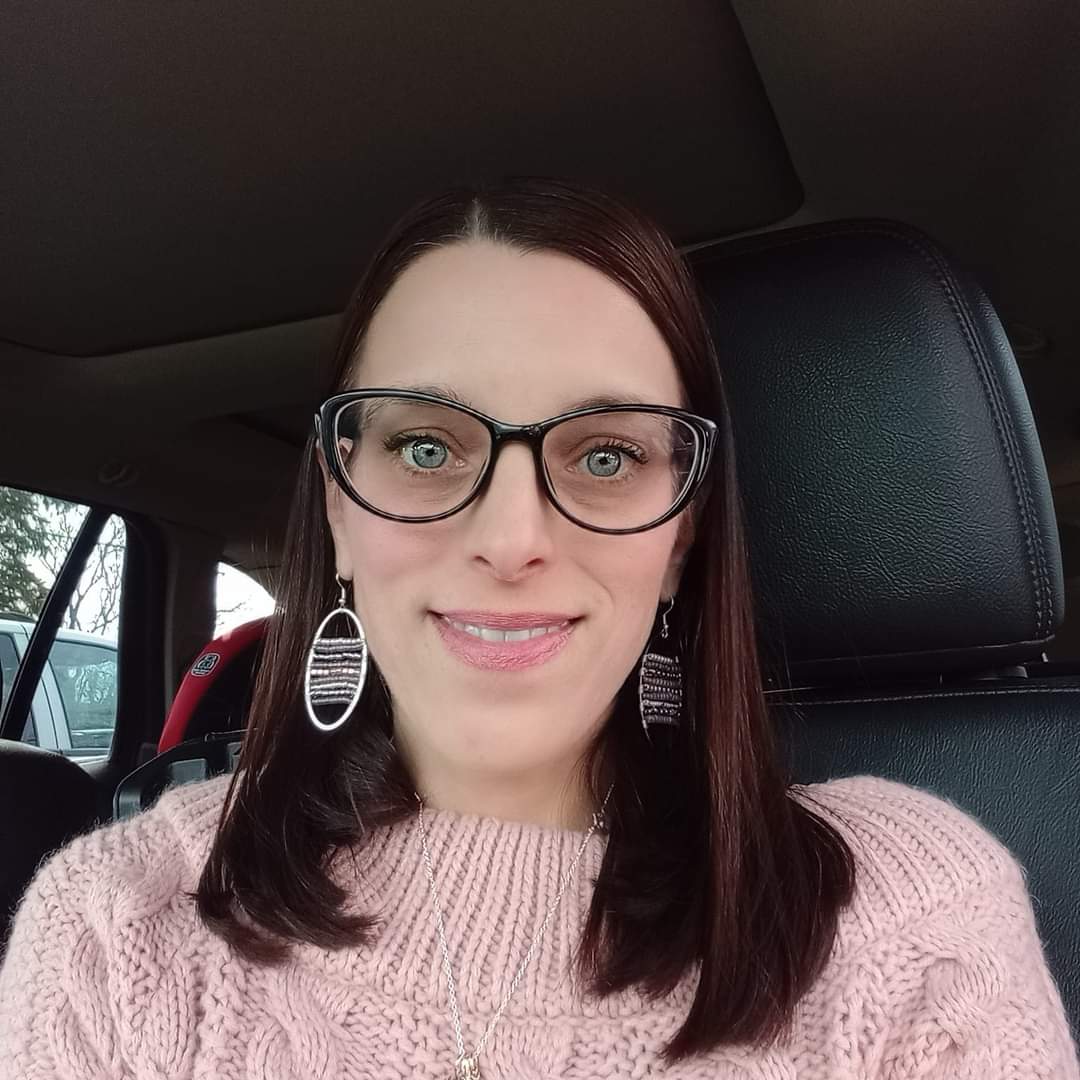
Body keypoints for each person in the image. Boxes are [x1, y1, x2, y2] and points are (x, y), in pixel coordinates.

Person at [1, 176, 1077, 1079]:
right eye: (427, 448)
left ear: (682, 538)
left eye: (606, 455)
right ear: (337, 506)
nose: (511, 538)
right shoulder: (117, 932)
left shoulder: (906, 917)